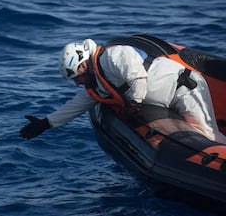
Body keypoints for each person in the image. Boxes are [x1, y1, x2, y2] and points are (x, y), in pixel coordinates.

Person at [20, 35, 226, 144]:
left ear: (83, 65)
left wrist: (134, 103)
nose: (77, 83)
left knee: (207, 135)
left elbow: (137, 76)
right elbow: (78, 104)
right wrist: (46, 123)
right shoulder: (99, 82)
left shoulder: (113, 56)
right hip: (167, 100)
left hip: (185, 90)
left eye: (77, 77)